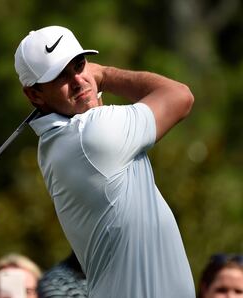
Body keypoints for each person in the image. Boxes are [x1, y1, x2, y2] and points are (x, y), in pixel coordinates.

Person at [14, 25, 195, 297]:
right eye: (60, 76)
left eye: (79, 65)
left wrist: (89, 88)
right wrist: (105, 75)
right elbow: (181, 96)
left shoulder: (56, 144)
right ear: (34, 95)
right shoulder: (92, 134)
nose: (78, 80)